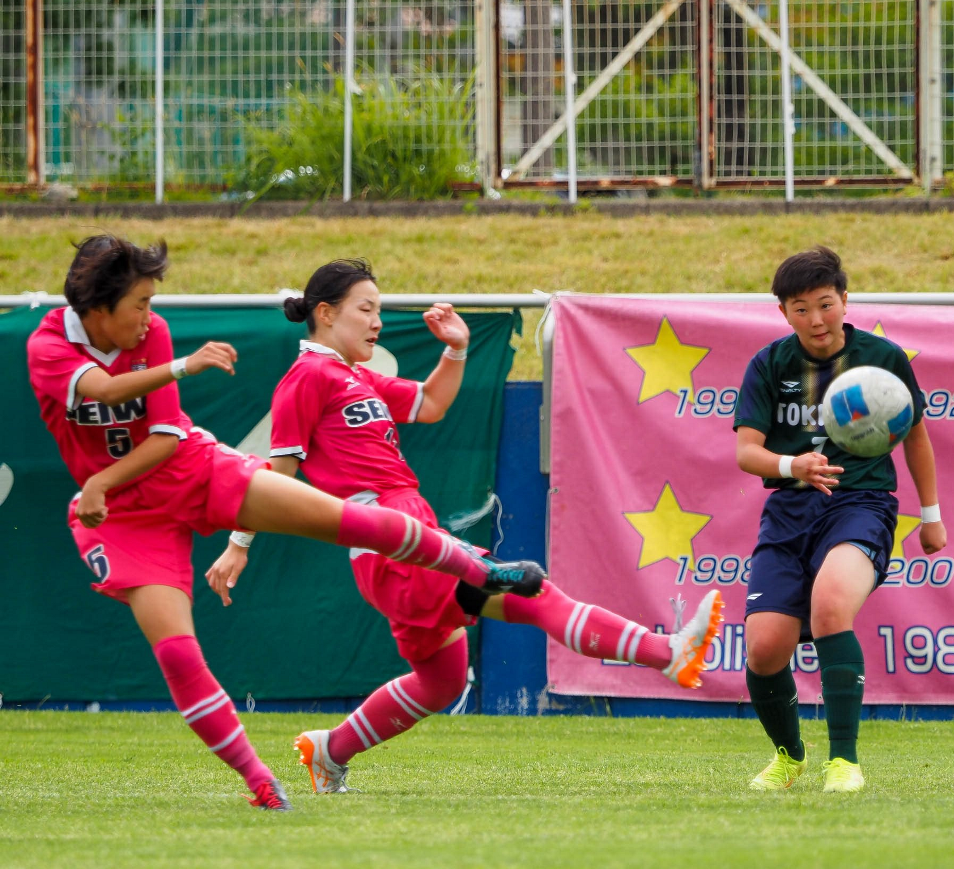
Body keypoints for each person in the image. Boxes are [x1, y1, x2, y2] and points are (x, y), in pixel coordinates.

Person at [27, 236, 547, 812]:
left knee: (354, 520)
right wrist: (180, 373)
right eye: (141, 304)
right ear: (98, 309)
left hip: (192, 468)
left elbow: (168, 433)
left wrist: (455, 351)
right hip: (127, 519)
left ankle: (484, 567)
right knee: (178, 654)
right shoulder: (50, 345)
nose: (151, 317)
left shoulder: (158, 335)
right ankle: (261, 782)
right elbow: (99, 389)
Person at [206, 258, 723, 795]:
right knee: (534, 592)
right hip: (389, 537)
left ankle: (329, 751)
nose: (377, 321)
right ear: (325, 313)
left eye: (379, 309)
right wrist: (238, 545)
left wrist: (456, 348)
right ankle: (669, 655)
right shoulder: (307, 377)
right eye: (366, 309)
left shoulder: (354, 374)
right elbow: (278, 475)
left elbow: (429, 404)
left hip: (403, 531)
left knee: (441, 681)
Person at [732, 246, 947, 794]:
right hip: (788, 511)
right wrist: (792, 464)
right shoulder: (769, 364)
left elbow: (916, 435)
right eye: (801, 309)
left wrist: (930, 515)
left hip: (862, 504)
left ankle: (844, 763)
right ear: (784, 312)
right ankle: (789, 757)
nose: (816, 319)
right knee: (763, 647)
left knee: (830, 604)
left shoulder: (883, 358)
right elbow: (746, 452)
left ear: (845, 300)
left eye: (825, 304)